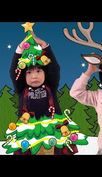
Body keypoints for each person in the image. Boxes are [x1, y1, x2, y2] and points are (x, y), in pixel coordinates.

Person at [9, 23, 62, 155]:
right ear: (24, 76)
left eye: (38, 71)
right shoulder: (22, 89)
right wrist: (20, 49)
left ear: (45, 74)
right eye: (29, 72)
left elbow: (54, 68)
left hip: (51, 133)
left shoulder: (51, 86)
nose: (34, 76)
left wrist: (44, 45)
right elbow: (13, 72)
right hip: (28, 134)